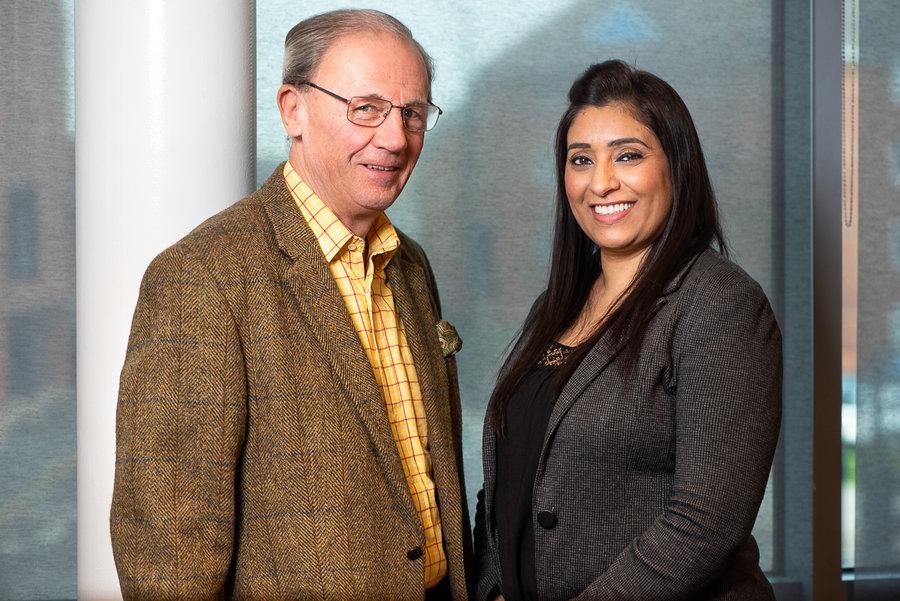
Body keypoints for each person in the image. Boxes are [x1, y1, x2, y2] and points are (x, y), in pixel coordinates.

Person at [110, 9, 472, 600]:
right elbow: (167, 561)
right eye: (367, 108)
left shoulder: (410, 264)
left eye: (413, 113)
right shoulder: (202, 277)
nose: (395, 137)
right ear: (292, 109)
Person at [474, 60, 782, 601]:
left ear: (676, 166)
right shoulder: (556, 305)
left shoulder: (719, 303)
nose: (601, 182)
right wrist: (494, 586)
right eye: (581, 160)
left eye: (628, 155)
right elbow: (511, 478)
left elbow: (705, 523)